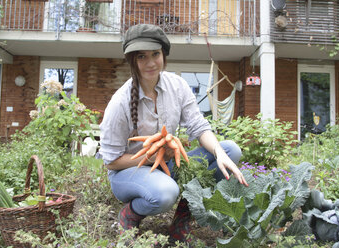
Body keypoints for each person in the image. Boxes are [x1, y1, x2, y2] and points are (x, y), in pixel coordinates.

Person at [97, 24, 248, 244]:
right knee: (166, 192)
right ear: (132, 60)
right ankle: (129, 215)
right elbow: (111, 161)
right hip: (127, 173)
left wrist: (218, 152)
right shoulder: (119, 103)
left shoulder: (178, 86)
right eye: (141, 56)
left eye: (155, 54)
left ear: (164, 55)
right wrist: (150, 157)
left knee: (230, 150)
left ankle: (182, 219)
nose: (150, 63)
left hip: (168, 166)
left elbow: (198, 126)